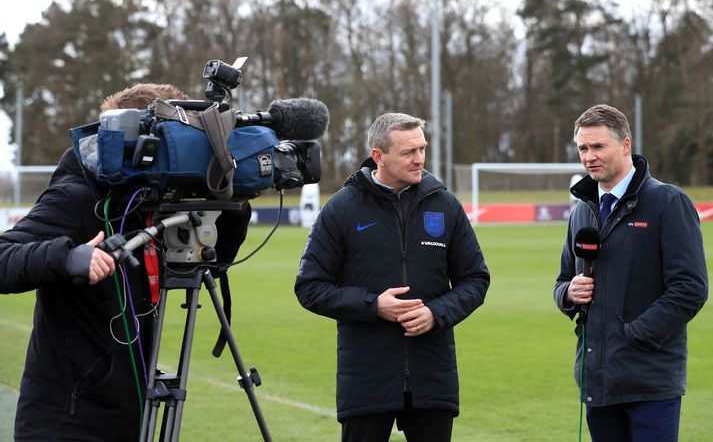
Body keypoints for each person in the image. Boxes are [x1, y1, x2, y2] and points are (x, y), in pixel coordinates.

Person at [0, 83, 248, 441]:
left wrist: (233, 201)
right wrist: (67, 256)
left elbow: (204, 263)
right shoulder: (78, 197)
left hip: (131, 414)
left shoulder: (150, 201)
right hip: (67, 421)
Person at [294, 112, 490, 442]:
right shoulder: (342, 208)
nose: (419, 160)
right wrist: (373, 306)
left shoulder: (444, 205)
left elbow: (475, 279)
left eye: (422, 149)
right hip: (367, 381)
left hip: (432, 379)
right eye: (408, 152)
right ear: (378, 156)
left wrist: (436, 313)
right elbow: (310, 287)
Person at [554, 104, 708, 441]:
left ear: (625, 146)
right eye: (583, 148)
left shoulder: (668, 203)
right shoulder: (582, 210)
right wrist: (568, 293)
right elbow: (562, 280)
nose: (589, 156)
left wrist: (635, 334)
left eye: (598, 146)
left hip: (649, 382)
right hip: (597, 380)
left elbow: (690, 288)